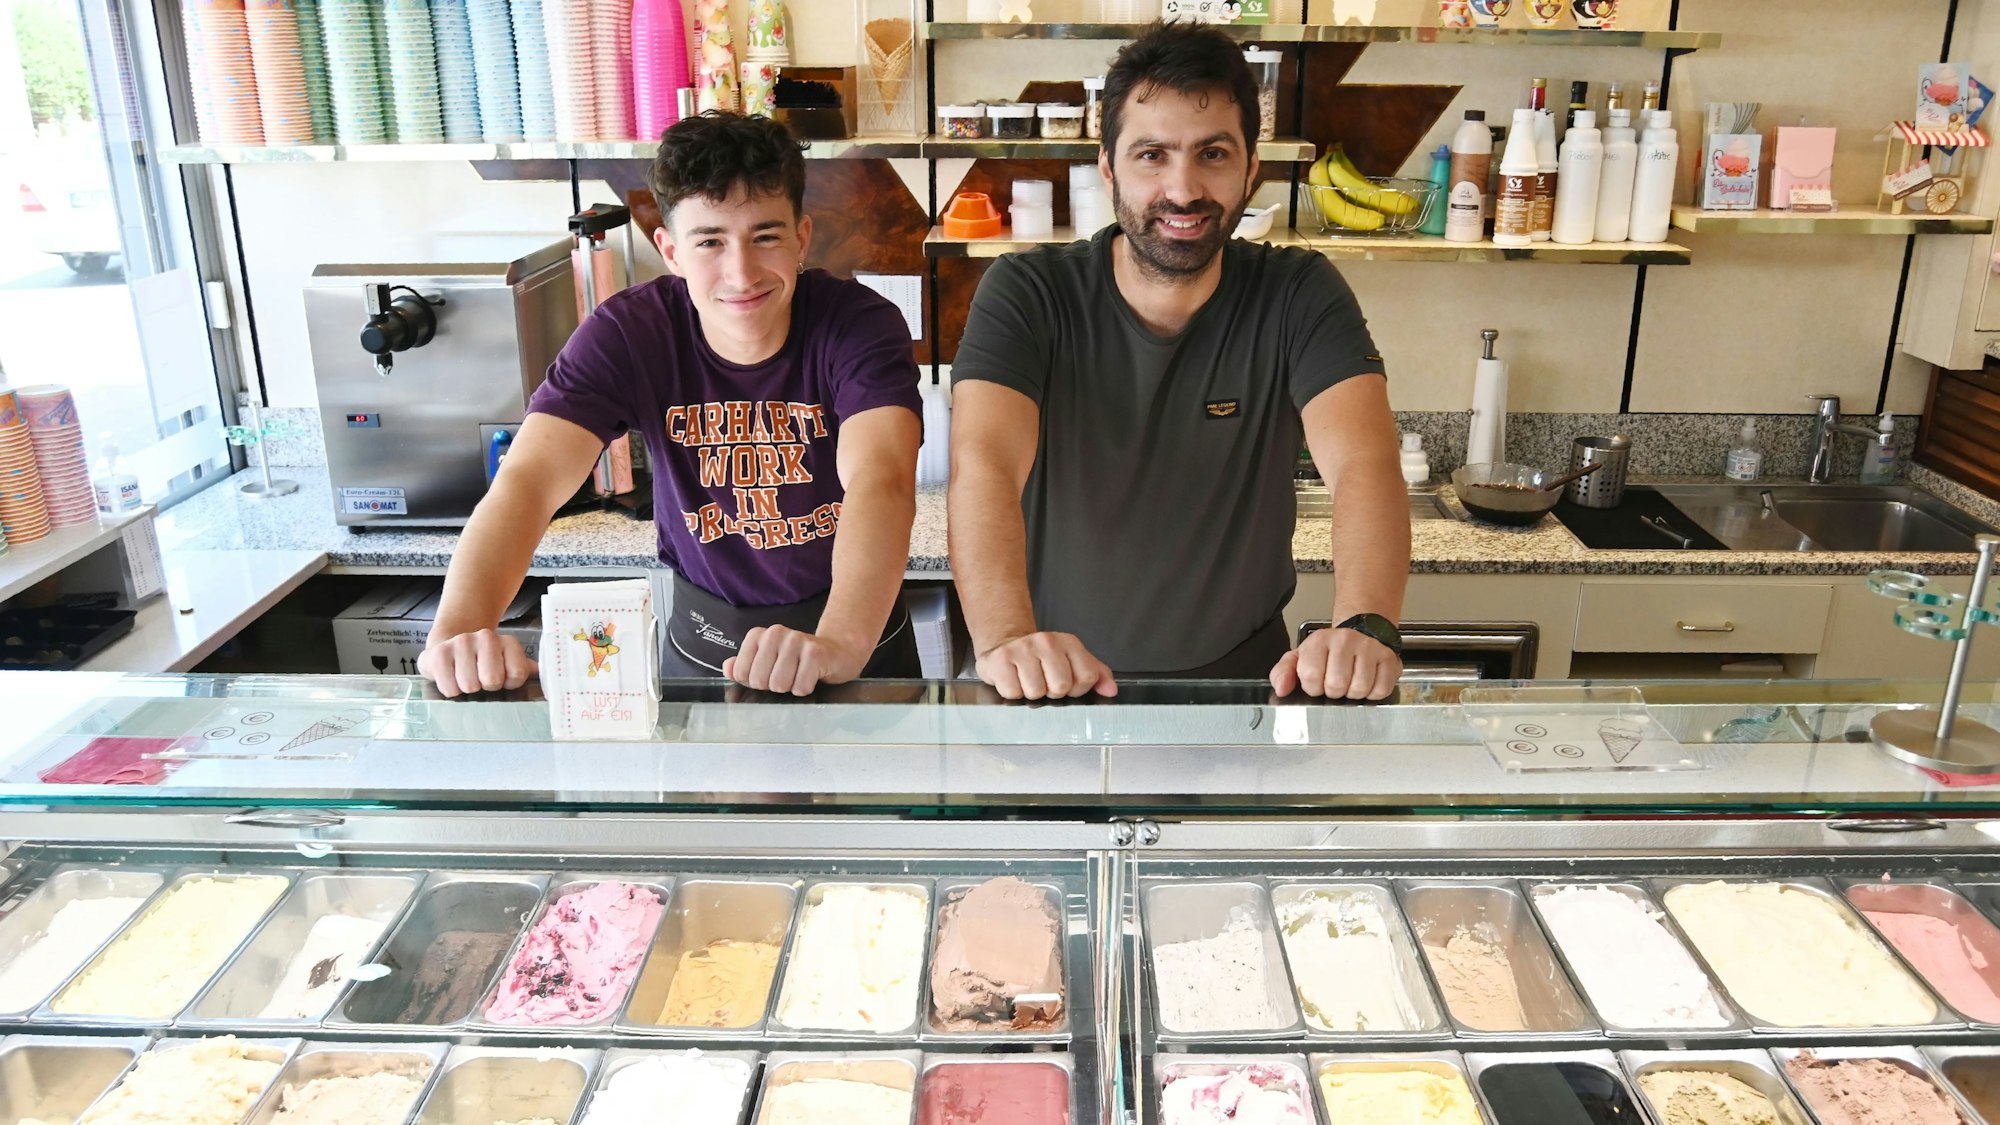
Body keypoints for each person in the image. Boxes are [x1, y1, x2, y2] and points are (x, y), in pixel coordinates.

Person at [948, 21, 1409, 701]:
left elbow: (1364, 463)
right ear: (1108, 168)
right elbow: (983, 465)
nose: (1184, 189)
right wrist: (1005, 637)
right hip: (1054, 678)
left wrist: (1366, 625)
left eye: (1213, 154)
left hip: (1245, 683)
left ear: (1252, 167)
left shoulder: (1298, 292)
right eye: (1152, 155)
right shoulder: (1029, 293)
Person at [419, 111, 925, 698]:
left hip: (857, 644)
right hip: (704, 647)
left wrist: (839, 644)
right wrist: (456, 633)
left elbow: (881, 479)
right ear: (670, 250)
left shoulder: (860, 325)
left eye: (766, 236)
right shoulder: (630, 333)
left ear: (802, 238)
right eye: (709, 241)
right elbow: (529, 479)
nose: (741, 273)